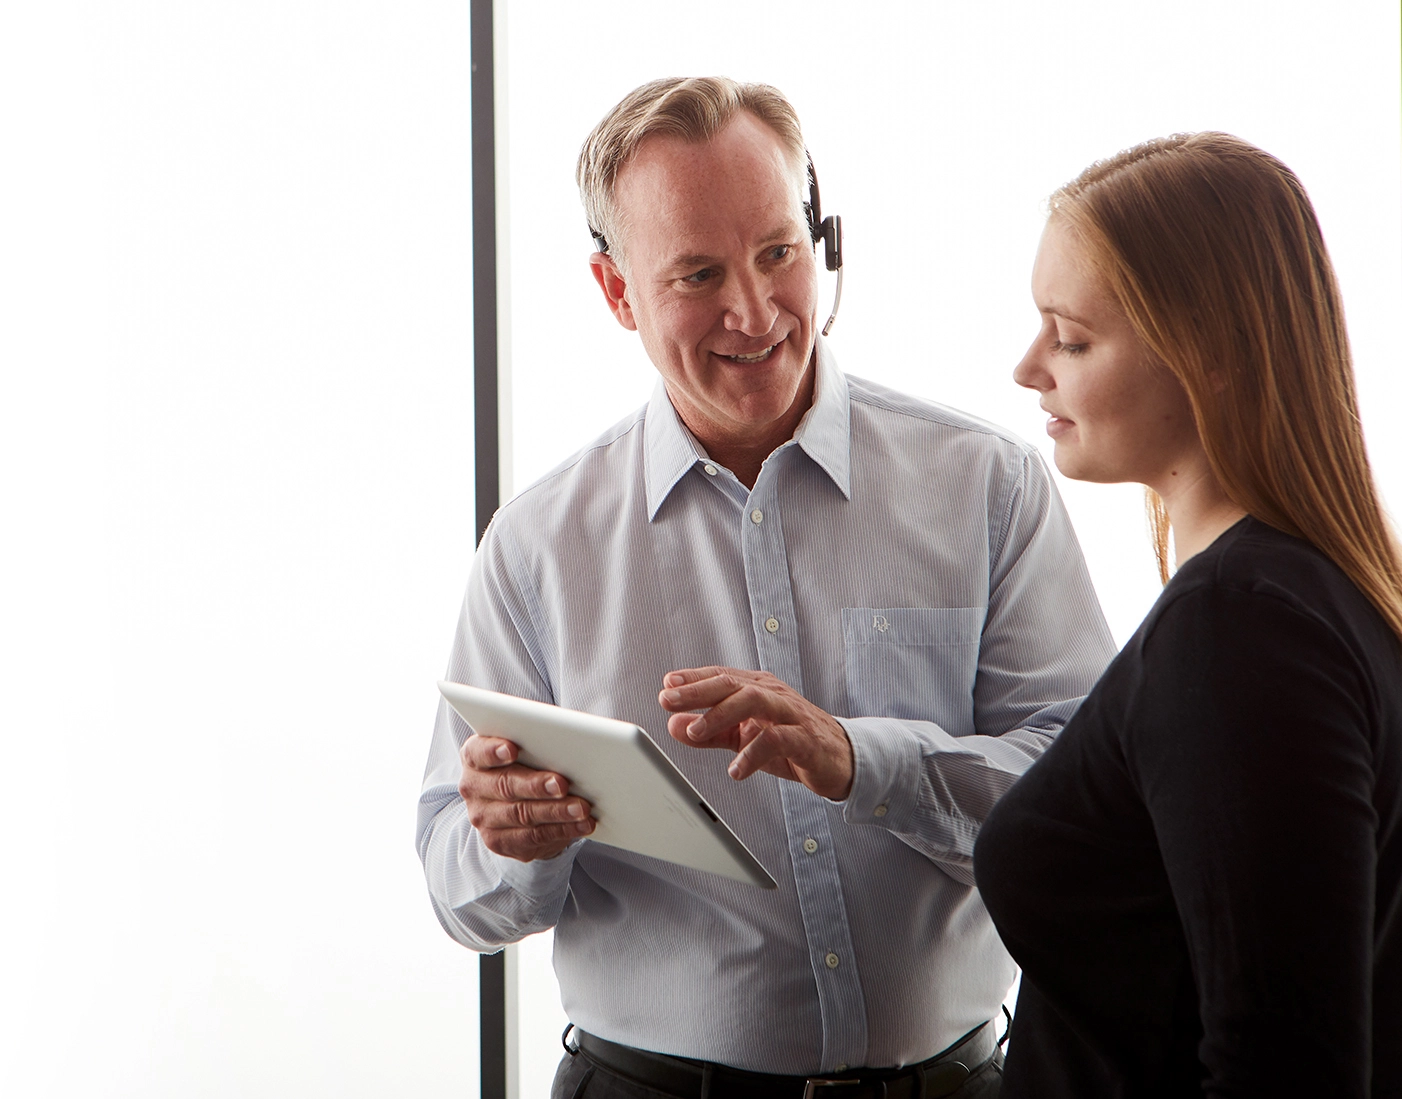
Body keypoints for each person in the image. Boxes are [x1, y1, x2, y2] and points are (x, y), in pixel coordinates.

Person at [416, 76, 1117, 1099]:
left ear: (823, 240)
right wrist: (513, 842)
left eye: (779, 253)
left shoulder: (986, 486)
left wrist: (855, 758)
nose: (754, 310)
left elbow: (1087, 813)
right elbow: (457, 888)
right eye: (698, 273)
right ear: (617, 294)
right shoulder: (535, 546)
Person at [972, 132, 1402, 1097]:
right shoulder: (1305, 597)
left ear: (1206, 352)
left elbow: (1279, 1067)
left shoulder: (1241, 631)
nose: (1028, 367)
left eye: (1071, 336)